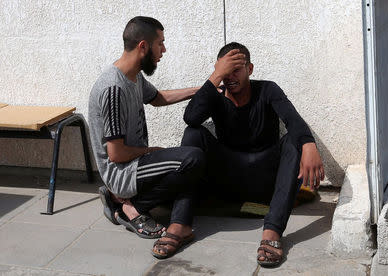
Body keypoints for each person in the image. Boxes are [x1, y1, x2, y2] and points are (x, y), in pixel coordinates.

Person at [181, 42, 324, 267]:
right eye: (225, 71)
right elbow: (191, 117)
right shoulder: (215, 96)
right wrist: (215, 76)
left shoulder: (268, 90)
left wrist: (308, 145)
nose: (230, 77)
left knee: (295, 141)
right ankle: (180, 224)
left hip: (265, 179)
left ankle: (272, 231)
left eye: (236, 69)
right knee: (193, 133)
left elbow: (292, 119)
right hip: (229, 177)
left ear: (250, 69)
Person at [88, 16, 204, 259]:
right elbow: (116, 154)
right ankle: (129, 207)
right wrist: (151, 152)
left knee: (188, 168)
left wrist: (201, 90)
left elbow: (159, 98)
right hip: (122, 171)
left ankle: (126, 201)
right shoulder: (113, 88)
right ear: (143, 46)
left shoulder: (134, 76)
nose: (164, 49)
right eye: (160, 43)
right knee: (191, 158)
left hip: (135, 164)